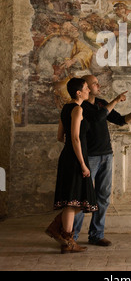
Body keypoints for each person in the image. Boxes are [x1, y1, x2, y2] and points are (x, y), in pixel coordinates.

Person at [73, 74, 131, 246]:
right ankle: (71, 237)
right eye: (95, 84)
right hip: (89, 157)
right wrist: (116, 100)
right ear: (86, 88)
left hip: (106, 155)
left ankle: (96, 235)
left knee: (103, 196)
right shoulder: (81, 107)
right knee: (83, 198)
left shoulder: (101, 103)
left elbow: (120, 120)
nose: (98, 86)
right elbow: (99, 117)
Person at [45, 77, 98, 254]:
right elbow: (74, 138)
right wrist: (83, 164)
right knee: (72, 201)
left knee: (75, 201)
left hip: (69, 156)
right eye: (85, 88)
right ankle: (68, 241)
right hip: (76, 158)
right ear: (78, 92)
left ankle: (58, 231)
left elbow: (60, 136)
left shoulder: (65, 108)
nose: (88, 90)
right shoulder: (76, 109)